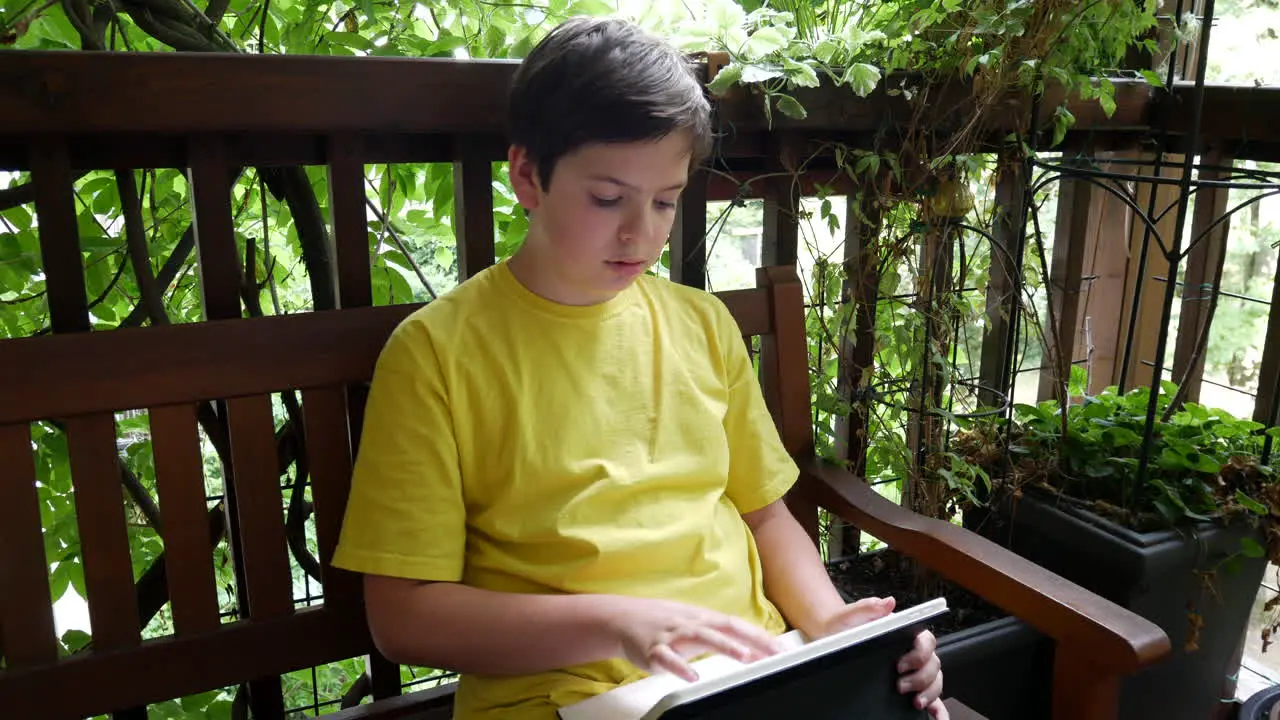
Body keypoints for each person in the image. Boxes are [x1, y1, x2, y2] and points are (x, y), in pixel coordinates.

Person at [331, 15, 947, 720]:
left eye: (665, 201)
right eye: (607, 198)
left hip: (749, 678)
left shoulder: (702, 326)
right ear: (528, 175)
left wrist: (834, 629)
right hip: (562, 698)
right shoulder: (438, 355)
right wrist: (617, 624)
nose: (641, 233)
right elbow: (404, 619)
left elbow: (765, 515)